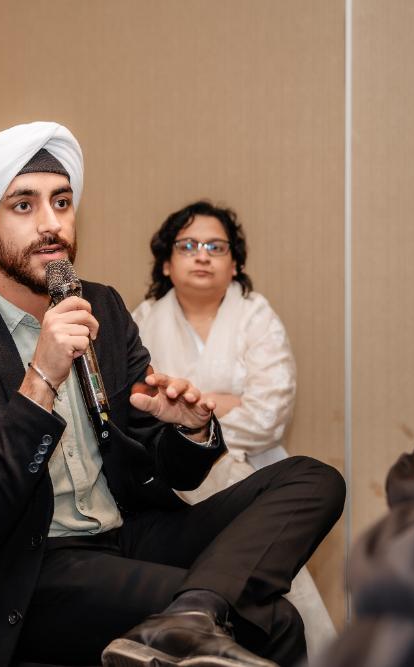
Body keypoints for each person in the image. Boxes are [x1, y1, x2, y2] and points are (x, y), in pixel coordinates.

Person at [0, 121, 345, 667]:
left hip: (129, 532)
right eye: (24, 206)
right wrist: (41, 378)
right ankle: (193, 615)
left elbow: (169, 470)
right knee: (276, 622)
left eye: (62, 202)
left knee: (314, 479)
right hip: (30, 569)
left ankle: (193, 613)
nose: (52, 223)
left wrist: (189, 429)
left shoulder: (100, 304)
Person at [132, 201, 336, 658]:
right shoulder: (142, 320)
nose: (201, 256)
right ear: (166, 263)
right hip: (173, 490)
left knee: (273, 584)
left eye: (215, 247)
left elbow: (269, 416)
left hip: (256, 477)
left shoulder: (255, 315)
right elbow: (141, 415)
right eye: (188, 245)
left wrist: (190, 415)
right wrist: (223, 402)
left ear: (235, 263)